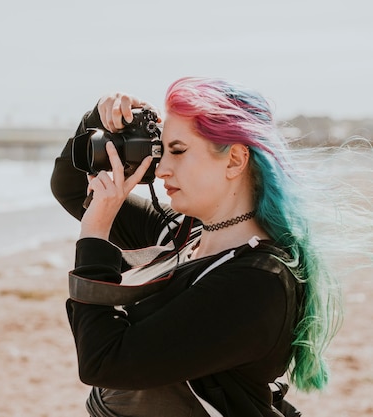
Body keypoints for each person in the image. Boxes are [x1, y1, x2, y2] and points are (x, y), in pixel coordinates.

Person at [50, 77, 343, 416]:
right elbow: (71, 189)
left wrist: (95, 235)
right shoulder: (182, 235)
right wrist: (97, 122)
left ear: (234, 160)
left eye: (178, 151)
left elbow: (103, 362)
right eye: (161, 150)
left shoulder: (256, 281)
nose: (161, 169)